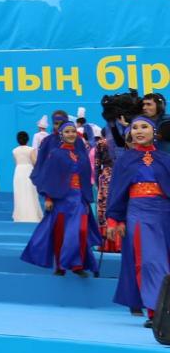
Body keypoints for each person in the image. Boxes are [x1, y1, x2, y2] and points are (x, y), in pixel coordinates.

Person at [106, 116, 170, 328]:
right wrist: (115, 219)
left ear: (155, 132)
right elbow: (116, 190)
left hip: (165, 213)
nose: (139, 131)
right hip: (138, 214)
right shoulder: (125, 159)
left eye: (144, 127)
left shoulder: (165, 158)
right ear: (130, 133)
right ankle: (156, 311)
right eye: (135, 128)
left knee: (164, 260)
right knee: (149, 261)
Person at [21, 120, 101, 277]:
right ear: (61, 135)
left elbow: (86, 175)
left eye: (73, 131)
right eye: (67, 132)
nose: (71, 134)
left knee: (80, 229)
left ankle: (77, 263)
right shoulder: (56, 154)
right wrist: (49, 198)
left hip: (79, 198)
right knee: (61, 231)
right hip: (61, 198)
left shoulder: (81, 153)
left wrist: (86, 196)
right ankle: (62, 265)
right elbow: (50, 177)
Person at [12, 131, 42, 222]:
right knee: (30, 192)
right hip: (28, 170)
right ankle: (32, 215)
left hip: (18, 171)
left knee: (19, 192)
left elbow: (16, 162)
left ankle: (20, 215)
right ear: (27, 139)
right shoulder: (31, 149)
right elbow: (35, 162)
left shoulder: (14, 150)